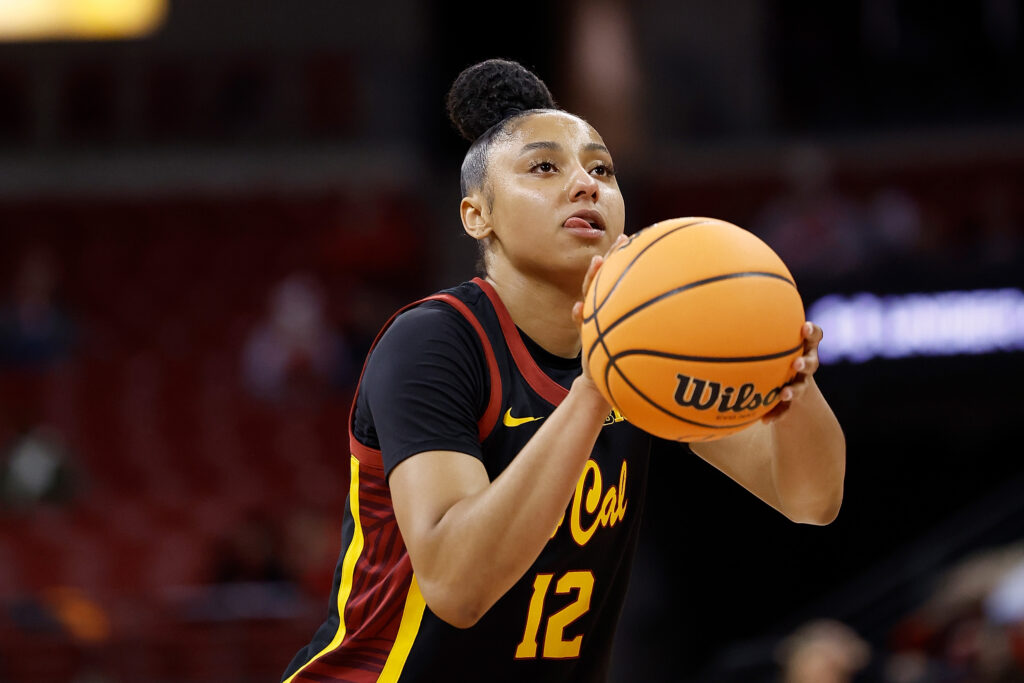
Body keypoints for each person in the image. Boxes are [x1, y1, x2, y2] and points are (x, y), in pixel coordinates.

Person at [282, 59, 846, 683]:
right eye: (544, 167)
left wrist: (791, 387)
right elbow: (456, 586)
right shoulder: (435, 340)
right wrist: (594, 392)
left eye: (601, 168)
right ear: (477, 216)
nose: (586, 185)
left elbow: (811, 500)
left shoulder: (648, 350)